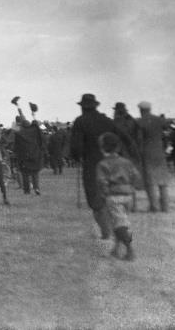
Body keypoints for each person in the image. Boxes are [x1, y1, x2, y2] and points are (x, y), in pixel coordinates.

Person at [70, 93, 118, 239]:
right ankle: (115, 227)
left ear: (83, 107)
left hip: (92, 165)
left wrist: (76, 157)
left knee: (96, 201)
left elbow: (76, 147)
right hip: (111, 163)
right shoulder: (107, 121)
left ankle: (106, 232)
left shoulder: (80, 121)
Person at [96, 132, 142, 260]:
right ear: (118, 147)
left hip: (113, 196)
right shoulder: (126, 162)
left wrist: (104, 194)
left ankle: (130, 250)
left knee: (119, 225)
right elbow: (136, 176)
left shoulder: (103, 164)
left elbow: (102, 182)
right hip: (128, 196)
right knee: (122, 223)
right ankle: (116, 249)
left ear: (102, 148)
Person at [136, 101, 170, 213]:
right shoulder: (159, 120)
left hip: (147, 153)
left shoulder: (140, 122)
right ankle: (165, 207)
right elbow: (167, 132)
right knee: (162, 182)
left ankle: (154, 207)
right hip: (160, 153)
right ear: (150, 109)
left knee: (150, 182)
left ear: (141, 110)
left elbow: (139, 139)